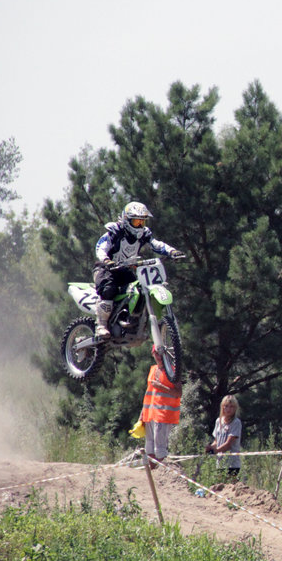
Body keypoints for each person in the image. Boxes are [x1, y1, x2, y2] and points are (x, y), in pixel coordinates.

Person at [93, 201, 183, 339]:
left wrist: (172, 251)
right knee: (108, 289)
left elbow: (156, 244)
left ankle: (133, 322)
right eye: (136, 221)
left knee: (138, 291)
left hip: (124, 270)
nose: (140, 225)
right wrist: (106, 260)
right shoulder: (115, 231)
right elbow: (101, 247)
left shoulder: (144, 234)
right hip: (106, 268)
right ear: (127, 220)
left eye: (142, 222)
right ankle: (101, 325)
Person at [139, 346, 181, 470]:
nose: (159, 356)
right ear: (152, 354)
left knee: (160, 448)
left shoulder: (172, 371)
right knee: (149, 446)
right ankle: (152, 474)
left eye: (161, 353)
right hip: (150, 414)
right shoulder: (152, 369)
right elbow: (149, 393)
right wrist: (142, 413)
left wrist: (162, 387)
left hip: (163, 414)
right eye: (156, 353)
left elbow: (178, 393)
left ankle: (161, 474)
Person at [205, 394, 242, 482]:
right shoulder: (219, 421)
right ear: (222, 407)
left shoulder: (236, 422)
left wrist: (215, 451)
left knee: (230, 487)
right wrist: (210, 448)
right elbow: (216, 441)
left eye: (231, 406)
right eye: (226, 406)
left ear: (235, 408)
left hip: (232, 463)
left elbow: (228, 444)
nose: (228, 409)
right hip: (220, 462)